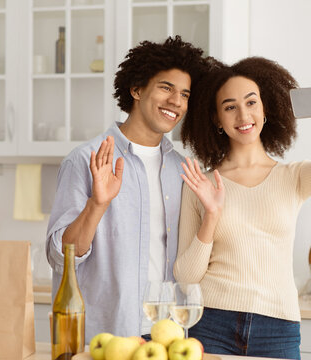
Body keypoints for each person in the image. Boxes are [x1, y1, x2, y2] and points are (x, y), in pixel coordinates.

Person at [173, 57, 311, 359]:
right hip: (212, 323)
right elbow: (187, 276)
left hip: (278, 326)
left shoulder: (292, 177)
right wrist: (212, 215)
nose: (243, 114)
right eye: (229, 107)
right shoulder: (200, 185)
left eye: (251, 102)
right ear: (216, 118)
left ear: (265, 108)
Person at [46, 36, 211, 342]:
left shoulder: (183, 170)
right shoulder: (87, 160)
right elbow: (60, 257)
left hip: (167, 335)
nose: (176, 101)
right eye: (166, 88)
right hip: (107, 335)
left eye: (185, 94)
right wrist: (97, 204)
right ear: (136, 90)